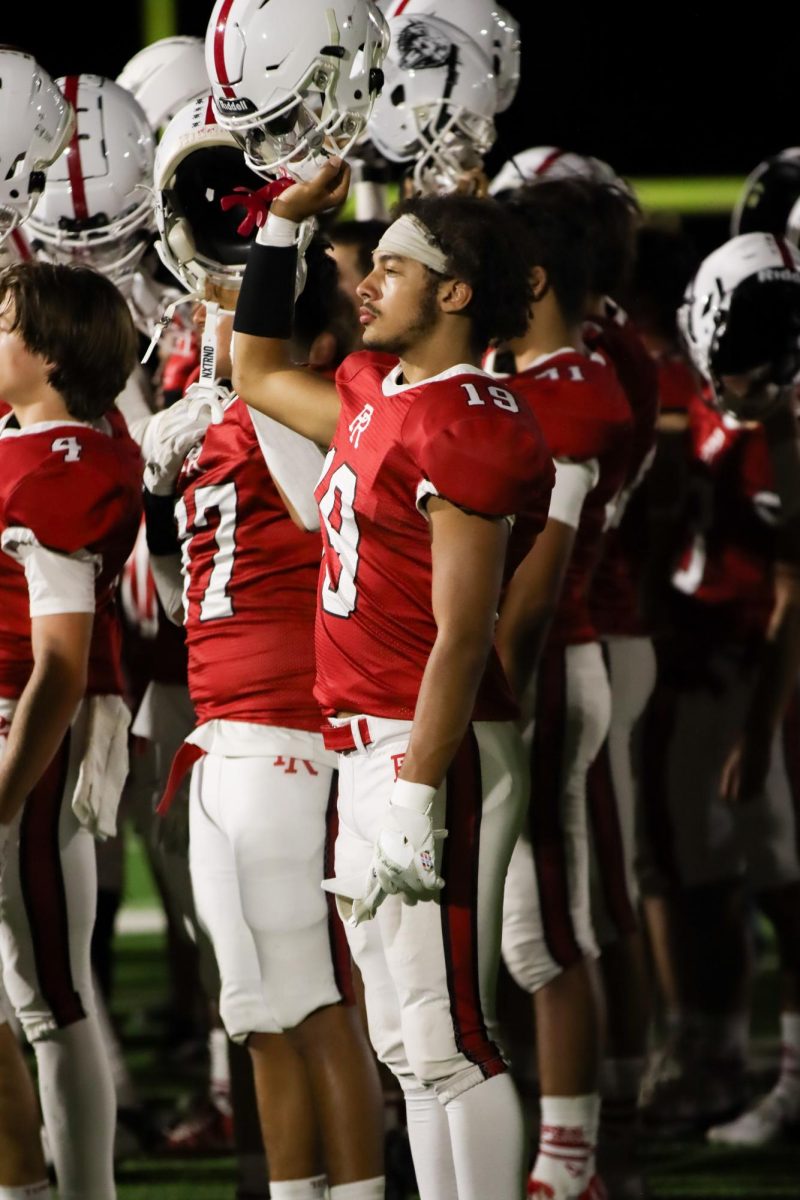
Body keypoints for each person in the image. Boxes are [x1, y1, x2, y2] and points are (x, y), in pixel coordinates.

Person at [230, 157, 554, 1200]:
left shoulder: (471, 420)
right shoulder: (378, 395)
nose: (366, 282)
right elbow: (253, 371)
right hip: (367, 743)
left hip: (433, 746)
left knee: (455, 1032)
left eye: (396, 266)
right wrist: (278, 229)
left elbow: (464, 635)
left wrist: (417, 783)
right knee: (407, 1040)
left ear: (453, 293)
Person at [0, 260, 142, 1200]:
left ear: (50, 352)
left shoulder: (63, 465)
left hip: (22, 733)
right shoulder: (44, 443)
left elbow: (59, 661)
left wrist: (3, 799)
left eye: (6, 321)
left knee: (52, 999)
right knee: (30, 999)